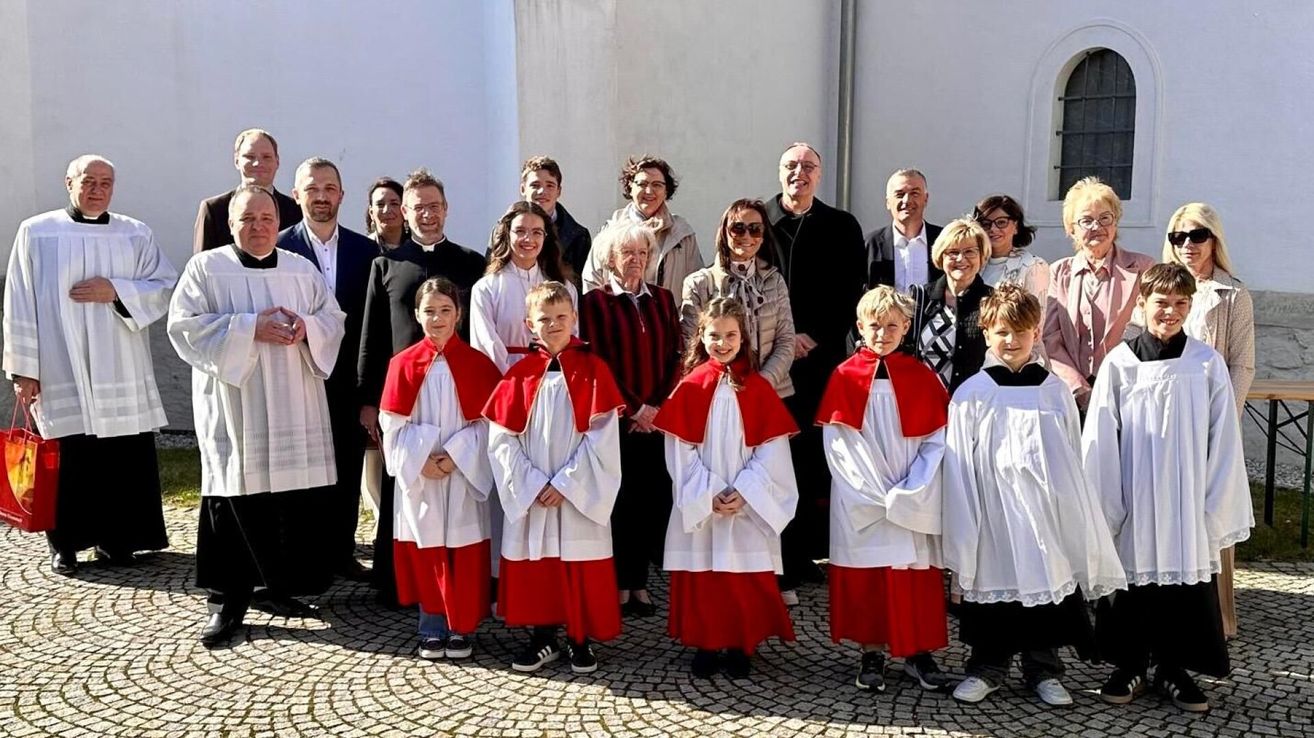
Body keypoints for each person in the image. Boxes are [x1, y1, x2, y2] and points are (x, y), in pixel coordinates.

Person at [168, 185, 346, 646]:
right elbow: (183, 328)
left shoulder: (300, 269)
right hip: (235, 405)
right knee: (234, 498)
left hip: (293, 400)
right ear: (231, 224)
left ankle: (276, 588)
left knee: (288, 498)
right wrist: (251, 328)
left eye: (267, 218)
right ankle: (227, 601)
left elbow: (333, 317)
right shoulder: (206, 269)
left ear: (278, 221)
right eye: (248, 219)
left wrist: (307, 327)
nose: (259, 227)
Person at [942, 284, 1127, 707]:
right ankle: (986, 667)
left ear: (1036, 331)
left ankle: (1043, 669)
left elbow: (1070, 457)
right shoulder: (972, 394)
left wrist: (1071, 515)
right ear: (987, 333)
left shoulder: (1054, 390)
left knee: (1046, 587)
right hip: (992, 512)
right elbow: (958, 466)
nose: (1011, 341)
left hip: (1045, 512)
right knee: (994, 589)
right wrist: (964, 529)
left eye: (1021, 331)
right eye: (1002, 332)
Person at [1083, 263, 1253, 713]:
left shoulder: (1205, 363)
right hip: (1134, 496)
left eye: (1181, 303)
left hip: (1185, 498)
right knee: (1131, 581)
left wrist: (1213, 505)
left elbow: (1223, 439)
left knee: (1184, 584)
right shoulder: (1120, 363)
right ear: (1142, 304)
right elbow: (1100, 438)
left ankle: (1174, 669)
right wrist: (1108, 507)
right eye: (1161, 302)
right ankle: (1130, 664)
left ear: (1189, 307)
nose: (1170, 312)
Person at [4, 154, 175, 574]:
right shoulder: (37, 232)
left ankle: (120, 542)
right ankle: (65, 544)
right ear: (69, 182)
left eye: (106, 182)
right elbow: (19, 301)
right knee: (69, 456)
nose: (97, 189)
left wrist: (115, 290)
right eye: (89, 180)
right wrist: (24, 368)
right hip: (61, 364)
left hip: (121, 364)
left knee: (121, 455)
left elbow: (164, 285)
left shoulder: (134, 233)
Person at [359, 168, 487, 605]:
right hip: (403, 400)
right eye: (417, 208)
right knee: (402, 490)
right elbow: (372, 337)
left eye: (434, 206)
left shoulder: (471, 263)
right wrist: (367, 400)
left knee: (460, 491)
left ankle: (463, 582)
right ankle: (398, 582)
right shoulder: (386, 266)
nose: (426, 215)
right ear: (403, 213)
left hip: (456, 395)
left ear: (446, 209)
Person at [482, 282, 625, 674]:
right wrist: (532, 484)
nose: (553, 324)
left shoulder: (594, 370)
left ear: (574, 319)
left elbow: (602, 439)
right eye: (544, 319)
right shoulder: (517, 376)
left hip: (575, 494)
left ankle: (581, 639)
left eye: (562, 317)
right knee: (539, 564)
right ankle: (543, 637)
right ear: (529, 324)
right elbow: (502, 441)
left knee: (578, 562)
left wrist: (565, 484)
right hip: (535, 491)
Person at [815, 286, 952, 694]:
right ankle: (871, 652)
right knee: (868, 577)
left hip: (912, 493)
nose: (882, 333)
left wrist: (913, 489)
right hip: (863, 497)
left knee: (913, 574)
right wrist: (874, 493)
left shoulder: (921, 376)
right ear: (860, 326)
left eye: (892, 326)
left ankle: (918, 653)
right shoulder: (844, 376)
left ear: (907, 328)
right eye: (874, 325)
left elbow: (936, 439)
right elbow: (839, 443)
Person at [655, 297, 798, 678]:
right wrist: (709, 492)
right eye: (714, 335)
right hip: (707, 501)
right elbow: (680, 451)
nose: (722, 343)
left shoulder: (758, 388)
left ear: (743, 337)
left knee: (743, 579)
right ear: (701, 337)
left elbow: (772, 450)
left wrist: (745, 492)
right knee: (705, 578)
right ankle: (706, 643)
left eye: (730, 335)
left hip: (745, 504)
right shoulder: (689, 388)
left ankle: (739, 643)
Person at [763, 142, 866, 602]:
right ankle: (772, 553)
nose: (798, 173)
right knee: (770, 456)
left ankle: (802, 551)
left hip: (820, 358)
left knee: (810, 456)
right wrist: (784, 342)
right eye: (791, 165)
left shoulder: (841, 226)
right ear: (779, 171)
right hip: (769, 362)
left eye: (808, 166)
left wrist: (813, 336)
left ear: (819, 176)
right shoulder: (759, 220)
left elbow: (850, 291)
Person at [378, 277, 502, 660]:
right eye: (429, 310)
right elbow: (391, 423)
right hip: (423, 479)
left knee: (463, 551)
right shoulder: (402, 364)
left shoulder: (479, 365)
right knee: (429, 547)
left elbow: (488, 425)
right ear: (417, 315)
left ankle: (462, 627)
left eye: (445, 310)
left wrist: (456, 455)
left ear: (459, 315)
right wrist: (420, 459)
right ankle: (431, 625)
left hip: (462, 475)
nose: (437, 318)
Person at [277, 157, 381, 582]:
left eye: (329, 188)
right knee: (296, 468)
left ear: (341, 194)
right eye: (312, 188)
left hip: (347, 378)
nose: (321, 196)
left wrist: (367, 389)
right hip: (294, 375)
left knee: (346, 466)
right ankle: (300, 556)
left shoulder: (366, 250)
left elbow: (372, 323)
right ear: (297, 195)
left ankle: (340, 551)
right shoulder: (278, 248)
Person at [1161, 202, 1255, 640]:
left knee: (1214, 517)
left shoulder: (1233, 294)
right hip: (1166, 421)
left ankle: (1219, 617)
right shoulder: (1159, 289)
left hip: (1212, 422)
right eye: (1179, 237)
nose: (1188, 245)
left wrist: (1224, 422)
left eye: (1197, 235)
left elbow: (1243, 365)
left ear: (1214, 239)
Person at [578, 222, 682, 618]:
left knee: (651, 500)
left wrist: (658, 408)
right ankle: (618, 583)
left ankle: (639, 582)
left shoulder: (663, 299)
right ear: (609, 258)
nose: (636, 261)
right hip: (617, 420)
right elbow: (598, 362)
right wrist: (636, 408)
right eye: (627, 254)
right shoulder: (595, 303)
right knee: (619, 501)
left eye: (642, 253)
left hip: (656, 421)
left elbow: (677, 356)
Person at [1043, 177, 1156, 413]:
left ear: (1116, 223)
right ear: (1071, 228)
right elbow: (1050, 340)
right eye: (1086, 220)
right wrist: (1079, 389)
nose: (1097, 227)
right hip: (1073, 400)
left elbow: (1153, 333)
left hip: (1130, 394)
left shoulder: (1143, 268)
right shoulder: (1058, 272)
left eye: (1105, 218)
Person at [680, 199, 795, 398]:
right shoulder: (699, 283)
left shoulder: (774, 281)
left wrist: (764, 381)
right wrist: (727, 383)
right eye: (738, 228)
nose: (747, 236)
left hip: (771, 392)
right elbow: (691, 343)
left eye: (755, 229)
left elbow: (786, 340)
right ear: (724, 232)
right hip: (718, 393)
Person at [471, 201, 578, 373]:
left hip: (553, 377)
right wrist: (513, 382)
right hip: (505, 380)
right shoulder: (486, 288)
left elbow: (572, 338)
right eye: (520, 231)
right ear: (507, 233)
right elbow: (486, 344)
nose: (528, 239)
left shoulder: (564, 287)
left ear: (545, 237)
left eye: (537, 232)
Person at [581, 155, 703, 295]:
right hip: (617, 315)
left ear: (666, 191)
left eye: (657, 185)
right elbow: (591, 282)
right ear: (630, 187)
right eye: (642, 184)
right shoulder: (611, 231)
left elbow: (696, 287)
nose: (649, 191)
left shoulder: (682, 234)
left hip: (667, 315)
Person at [909, 218, 993, 394]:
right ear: (941, 256)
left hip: (974, 406)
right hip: (925, 408)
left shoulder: (993, 301)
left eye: (970, 251)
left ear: (982, 256)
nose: (961, 259)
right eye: (953, 252)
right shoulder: (920, 297)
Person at [193, 128, 302, 252]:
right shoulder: (214, 209)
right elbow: (202, 263)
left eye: (266, 157)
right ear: (237, 161)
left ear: (277, 161)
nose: (258, 163)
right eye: (250, 157)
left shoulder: (297, 210)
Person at [864, 169, 944, 293]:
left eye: (915, 193)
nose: (907, 200)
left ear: (926, 199)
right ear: (888, 202)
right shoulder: (870, 245)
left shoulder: (944, 241)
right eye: (900, 194)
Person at [519, 156, 591, 285]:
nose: (542, 191)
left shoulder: (578, 236)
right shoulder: (504, 229)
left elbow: (580, 288)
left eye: (550, 185)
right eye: (535, 185)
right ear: (523, 189)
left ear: (559, 191)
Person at [973, 194, 1050, 303]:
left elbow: (1038, 315)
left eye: (1001, 222)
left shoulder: (1033, 266)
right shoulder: (972, 263)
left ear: (1016, 227)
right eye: (986, 224)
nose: (993, 229)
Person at [364, 177, 407, 250]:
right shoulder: (362, 249)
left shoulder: (419, 249)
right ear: (371, 212)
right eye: (380, 205)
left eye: (394, 204)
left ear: (405, 210)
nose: (387, 210)